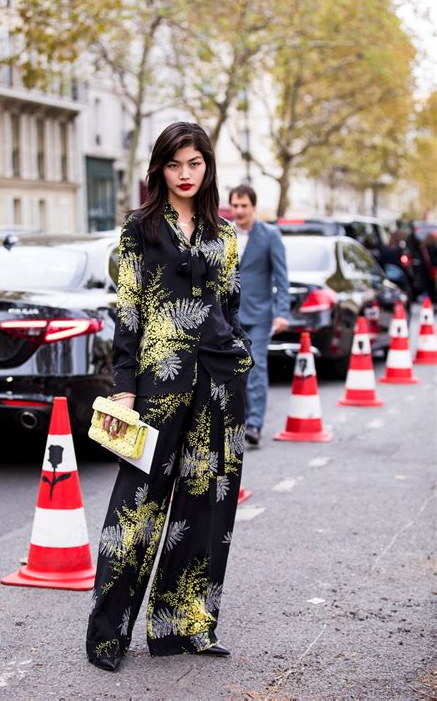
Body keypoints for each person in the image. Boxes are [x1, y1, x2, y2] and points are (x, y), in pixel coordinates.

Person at [86, 122, 253, 671]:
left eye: (195, 164)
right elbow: (128, 315)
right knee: (135, 507)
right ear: (160, 168)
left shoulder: (224, 235)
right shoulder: (139, 230)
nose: (185, 175)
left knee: (206, 509)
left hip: (219, 386)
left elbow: (230, 308)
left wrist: (240, 358)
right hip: (158, 388)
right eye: (174, 164)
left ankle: (187, 628)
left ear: (207, 167)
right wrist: (126, 388)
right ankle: (108, 635)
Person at [229, 185, 290, 445]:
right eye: (235, 205)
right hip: (227, 316)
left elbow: (281, 277)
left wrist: (282, 312)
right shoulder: (223, 234)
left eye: (244, 206)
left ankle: (254, 424)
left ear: (253, 207)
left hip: (259, 316)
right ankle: (234, 422)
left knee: (256, 368)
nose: (239, 210)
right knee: (231, 371)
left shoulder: (270, 235)